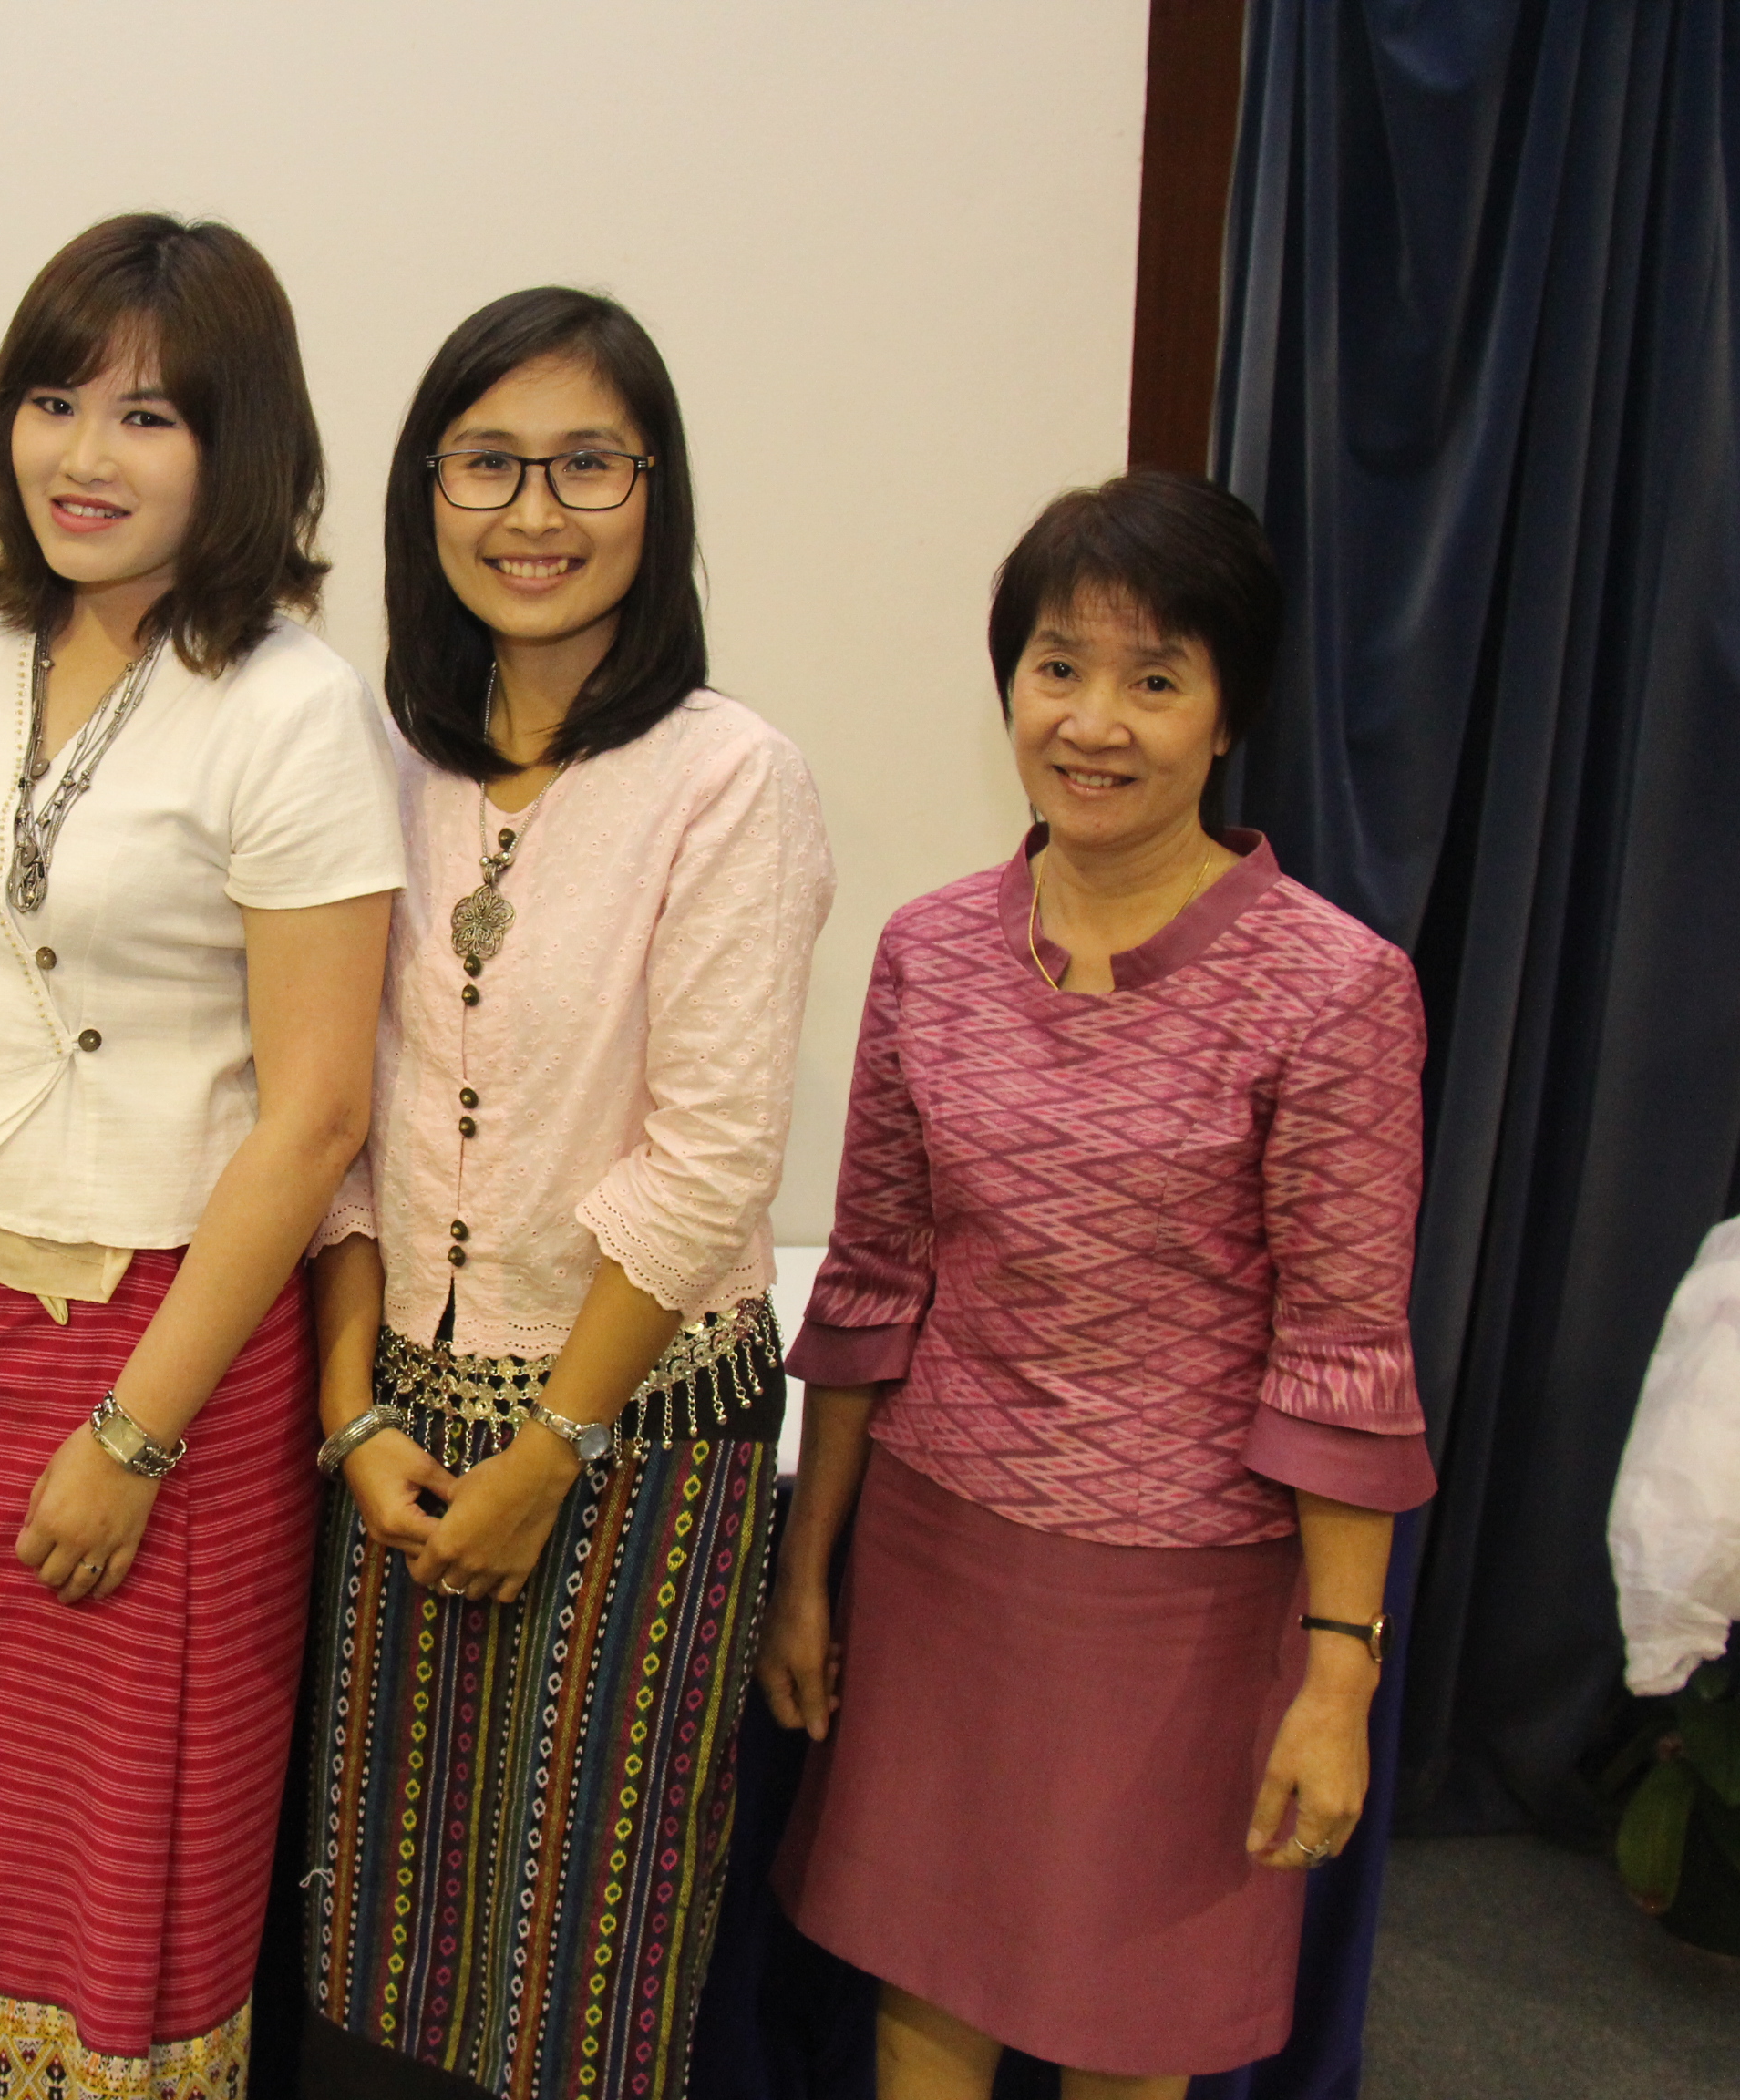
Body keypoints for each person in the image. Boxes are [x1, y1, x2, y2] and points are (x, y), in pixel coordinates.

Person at [0, 212, 404, 2096]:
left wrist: (133, 1436)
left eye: (147, 416)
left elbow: (316, 1114)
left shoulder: (293, 704)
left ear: (239, 444)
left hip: (162, 1370)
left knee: (120, 1904)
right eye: (53, 401)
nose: (84, 455)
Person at [758, 470, 1436, 2098]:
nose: (1095, 722)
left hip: (1182, 1600)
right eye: (1058, 667)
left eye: (1155, 679)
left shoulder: (1333, 988)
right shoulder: (932, 950)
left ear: (1228, 711)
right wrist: (808, 1570)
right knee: (924, 1988)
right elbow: (871, 1287)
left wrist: (1339, 1670)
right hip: (938, 1559)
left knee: (1130, 2030)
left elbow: (1342, 1354)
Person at [295, 288, 834, 2098]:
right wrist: (351, 1413)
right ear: (425, 492)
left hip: (635, 1432)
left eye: (587, 464)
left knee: (576, 1972)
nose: (535, 512)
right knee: (373, 1947)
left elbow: (711, 1160)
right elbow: (334, 1127)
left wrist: (551, 1456)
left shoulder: (728, 778)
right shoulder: (372, 765)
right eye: (489, 464)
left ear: (654, 495)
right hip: (397, 1431)